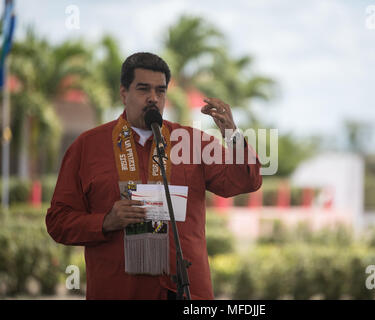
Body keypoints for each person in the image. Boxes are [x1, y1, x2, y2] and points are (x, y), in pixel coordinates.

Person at [46, 52, 262, 300]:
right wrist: (105, 222)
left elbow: (248, 180)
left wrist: (232, 136)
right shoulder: (88, 146)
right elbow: (58, 222)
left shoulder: (192, 142)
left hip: (184, 291)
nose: (153, 98)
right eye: (143, 89)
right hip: (118, 290)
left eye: (160, 91)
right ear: (123, 93)